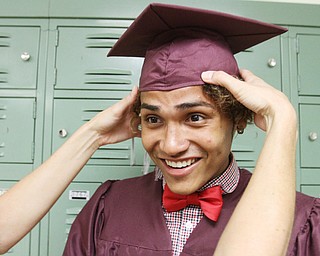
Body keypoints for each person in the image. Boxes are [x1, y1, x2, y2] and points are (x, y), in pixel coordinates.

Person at [62, 3, 319, 256]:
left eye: (195, 117)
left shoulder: (303, 221)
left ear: (239, 118)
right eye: (153, 119)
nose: (171, 146)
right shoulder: (107, 206)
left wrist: (281, 118)